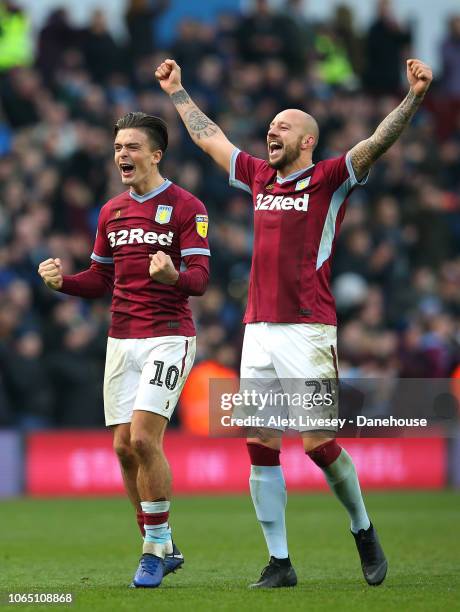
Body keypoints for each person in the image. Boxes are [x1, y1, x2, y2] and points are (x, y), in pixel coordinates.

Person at [155, 57, 432, 588]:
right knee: (258, 443)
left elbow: (376, 141)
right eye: (270, 126)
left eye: (283, 126)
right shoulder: (259, 177)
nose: (271, 132)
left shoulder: (329, 178)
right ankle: (280, 562)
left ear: (307, 141)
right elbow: (211, 138)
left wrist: (413, 97)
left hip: (307, 328)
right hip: (257, 329)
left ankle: (363, 527)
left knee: (318, 445)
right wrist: (178, 91)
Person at [38, 112, 211, 588]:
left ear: (156, 154)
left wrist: (172, 276)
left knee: (141, 438)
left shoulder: (186, 207)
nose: (122, 155)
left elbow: (199, 278)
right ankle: (163, 539)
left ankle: (153, 550)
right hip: (121, 338)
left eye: (132, 147)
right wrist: (63, 284)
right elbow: (100, 278)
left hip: (169, 335)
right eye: (118, 147)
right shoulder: (111, 211)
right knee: (121, 448)